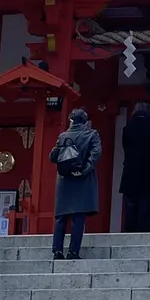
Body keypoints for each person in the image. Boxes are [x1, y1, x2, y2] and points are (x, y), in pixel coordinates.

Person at [49, 107, 102, 259]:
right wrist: (85, 169)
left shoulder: (63, 136)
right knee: (78, 218)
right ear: (85, 121)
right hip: (82, 180)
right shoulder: (92, 134)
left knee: (61, 218)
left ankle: (57, 251)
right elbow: (96, 153)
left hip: (64, 181)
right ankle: (73, 251)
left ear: (71, 120)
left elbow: (53, 157)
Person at [119, 101, 150, 231]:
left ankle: (129, 231)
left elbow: (125, 147)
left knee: (130, 206)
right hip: (147, 171)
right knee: (145, 205)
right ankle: (144, 231)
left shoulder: (127, 128)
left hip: (130, 171)